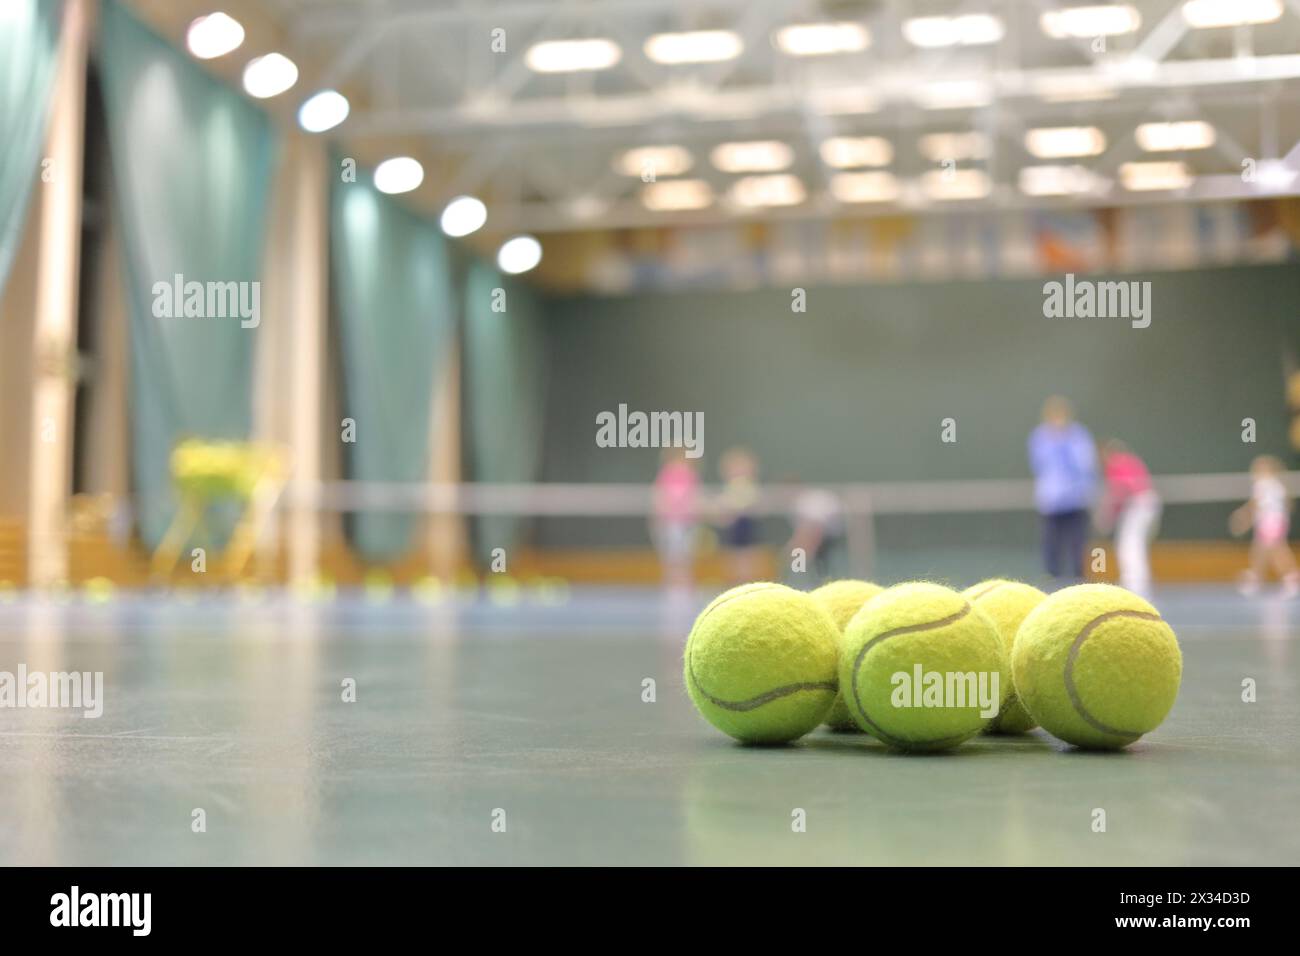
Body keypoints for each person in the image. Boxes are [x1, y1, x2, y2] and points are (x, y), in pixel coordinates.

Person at [1027, 396, 1097, 581]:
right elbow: (1039, 464)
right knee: (1051, 543)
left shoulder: (1079, 435)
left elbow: (1086, 464)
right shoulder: (1040, 437)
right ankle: (1052, 577)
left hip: (1076, 500)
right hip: (1051, 502)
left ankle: (1079, 577)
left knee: (1077, 543)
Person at [1097, 440, 1161, 595]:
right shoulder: (1130, 460)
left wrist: (1107, 517)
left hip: (1138, 504)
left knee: (1129, 545)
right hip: (1149, 503)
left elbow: (1122, 490)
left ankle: (1135, 586)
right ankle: (1138, 584)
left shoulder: (1115, 464)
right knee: (1135, 545)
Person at [1229, 455, 1299, 597]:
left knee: (1277, 550)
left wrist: (1242, 519)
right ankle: (1256, 578)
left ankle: (1291, 577)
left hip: (1270, 522)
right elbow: (1288, 505)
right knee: (1259, 550)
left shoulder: (1262, 485)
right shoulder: (1278, 485)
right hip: (1276, 522)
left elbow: (1253, 505)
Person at [650, 448, 699, 594]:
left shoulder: (691, 475)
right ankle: (672, 587)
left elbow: (695, 499)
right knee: (672, 558)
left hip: (687, 524)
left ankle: (684, 587)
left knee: (685, 558)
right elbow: (659, 499)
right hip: (671, 524)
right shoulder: (665, 475)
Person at [783, 480, 847, 584]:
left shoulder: (806, 503)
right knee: (808, 559)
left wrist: (798, 547)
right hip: (819, 536)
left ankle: (820, 581)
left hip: (824, 535)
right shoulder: (797, 504)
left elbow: (814, 529)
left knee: (815, 562)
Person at [716, 447, 762, 584]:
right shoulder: (728, 489)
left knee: (748, 560)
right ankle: (736, 584)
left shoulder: (751, 486)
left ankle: (748, 584)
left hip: (748, 528)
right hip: (734, 530)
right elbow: (723, 514)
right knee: (734, 561)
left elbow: (756, 505)